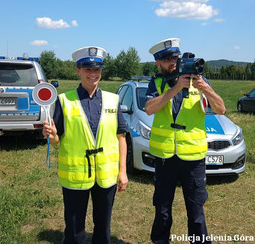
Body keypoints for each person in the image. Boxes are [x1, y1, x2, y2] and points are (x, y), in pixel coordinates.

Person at [43, 46, 128, 244]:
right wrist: (53, 135)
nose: (93, 74)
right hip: (75, 176)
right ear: (78, 71)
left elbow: (121, 137)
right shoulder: (65, 101)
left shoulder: (112, 100)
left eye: (97, 69)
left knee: (103, 227)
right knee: (74, 228)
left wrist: (122, 171)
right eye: (88, 69)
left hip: (106, 176)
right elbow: (56, 139)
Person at [145, 38, 226, 244]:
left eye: (175, 57)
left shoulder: (199, 82)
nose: (172, 61)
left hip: (193, 158)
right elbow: (149, 108)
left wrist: (205, 88)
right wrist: (174, 89)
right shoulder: (155, 83)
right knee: (162, 209)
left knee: (196, 210)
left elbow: (221, 109)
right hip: (165, 157)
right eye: (166, 58)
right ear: (157, 63)